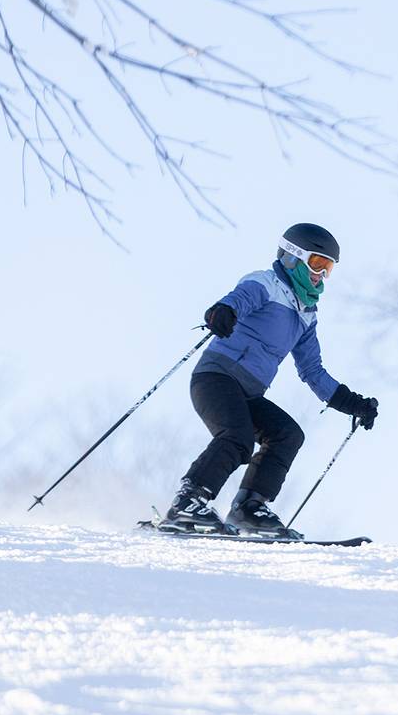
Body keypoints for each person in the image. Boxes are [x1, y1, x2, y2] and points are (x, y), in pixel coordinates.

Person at [159, 223, 380, 538]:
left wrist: (353, 404)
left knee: (287, 434)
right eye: (317, 263)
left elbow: (312, 371)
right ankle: (189, 500)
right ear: (294, 256)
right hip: (216, 378)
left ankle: (249, 507)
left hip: (247, 392)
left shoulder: (306, 314)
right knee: (238, 437)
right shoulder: (266, 283)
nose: (321, 275)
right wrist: (222, 312)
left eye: (328, 268)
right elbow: (239, 299)